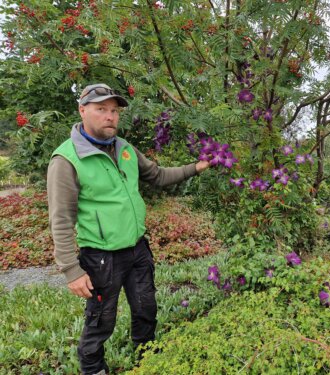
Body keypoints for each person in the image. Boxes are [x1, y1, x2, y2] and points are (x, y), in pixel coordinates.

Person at [47, 83, 210, 375]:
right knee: (101, 320)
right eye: (101, 110)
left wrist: (195, 168)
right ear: (82, 111)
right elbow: (61, 218)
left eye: (114, 111)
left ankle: (147, 358)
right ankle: (93, 368)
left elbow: (158, 176)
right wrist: (71, 269)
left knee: (146, 308)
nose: (110, 116)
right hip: (100, 257)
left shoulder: (124, 148)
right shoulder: (66, 159)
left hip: (137, 249)